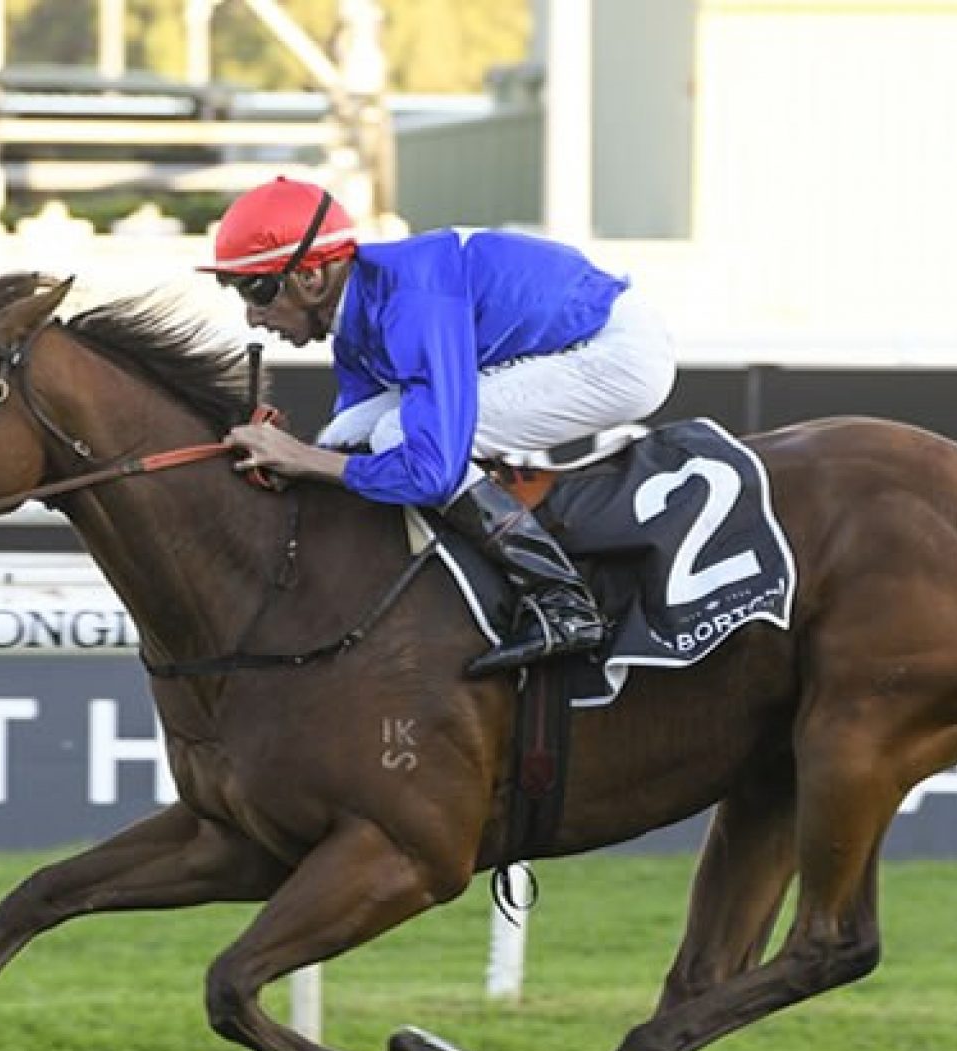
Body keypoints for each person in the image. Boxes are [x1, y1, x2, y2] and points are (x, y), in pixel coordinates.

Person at [200, 176, 677, 678]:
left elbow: (431, 473)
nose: (252, 317)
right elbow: (342, 448)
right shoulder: (356, 324)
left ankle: (561, 600)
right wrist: (301, 460)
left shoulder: (410, 303)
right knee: (345, 433)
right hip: (561, 340)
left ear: (313, 277)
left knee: (396, 437)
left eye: (259, 289)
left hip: (615, 354)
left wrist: (301, 458)